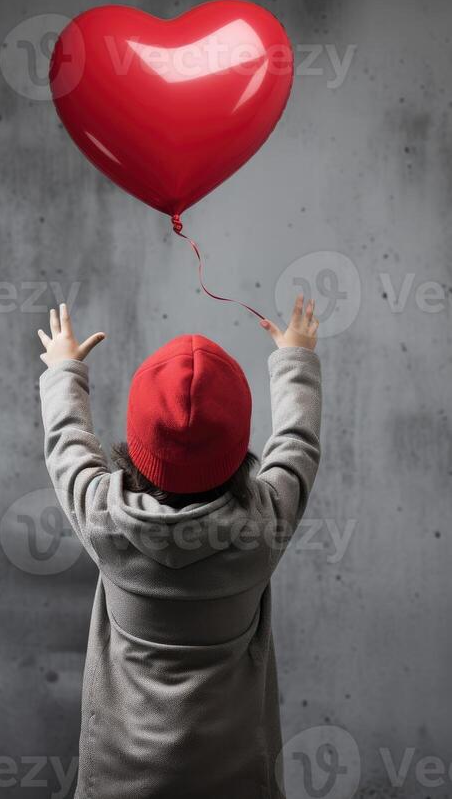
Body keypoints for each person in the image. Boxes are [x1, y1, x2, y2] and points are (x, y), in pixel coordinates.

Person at [37, 295, 321, 799]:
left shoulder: (104, 518)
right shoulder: (263, 525)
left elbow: (67, 443)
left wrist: (65, 369)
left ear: (136, 447)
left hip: (118, 783)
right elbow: (297, 444)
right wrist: (295, 358)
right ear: (239, 452)